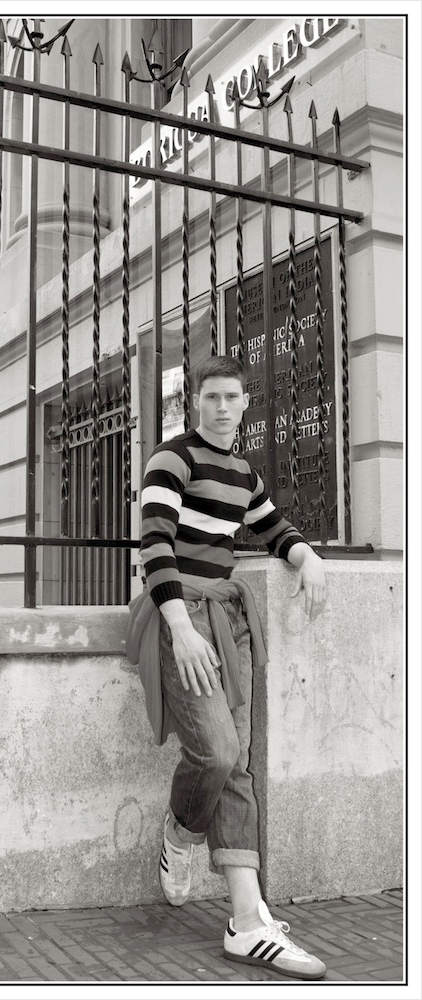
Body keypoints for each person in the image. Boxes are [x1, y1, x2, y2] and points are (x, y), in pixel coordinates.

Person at [130, 355, 327, 981]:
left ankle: (246, 921)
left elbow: (273, 528)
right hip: (181, 615)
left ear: (245, 403)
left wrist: (306, 557)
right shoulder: (171, 460)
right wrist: (180, 627)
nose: (221, 407)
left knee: (236, 761)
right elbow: (154, 545)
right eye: (211, 397)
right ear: (196, 401)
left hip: (228, 619)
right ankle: (181, 830)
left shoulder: (243, 472)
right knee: (216, 751)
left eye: (231, 397)